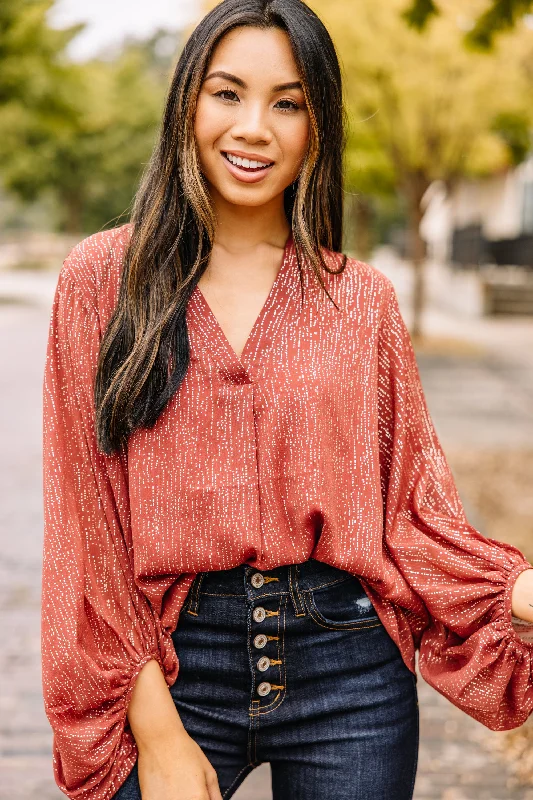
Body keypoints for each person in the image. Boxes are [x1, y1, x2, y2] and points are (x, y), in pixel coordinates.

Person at [41, 1, 533, 799]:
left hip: (348, 671)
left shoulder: (360, 300)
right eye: (226, 93)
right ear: (185, 105)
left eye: (288, 102)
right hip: (170, 666)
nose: (253, 128)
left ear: (317, 126)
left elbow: (411, 515)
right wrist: (155, 732)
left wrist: (515, 591)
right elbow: (86, 524)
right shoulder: (103, 279)